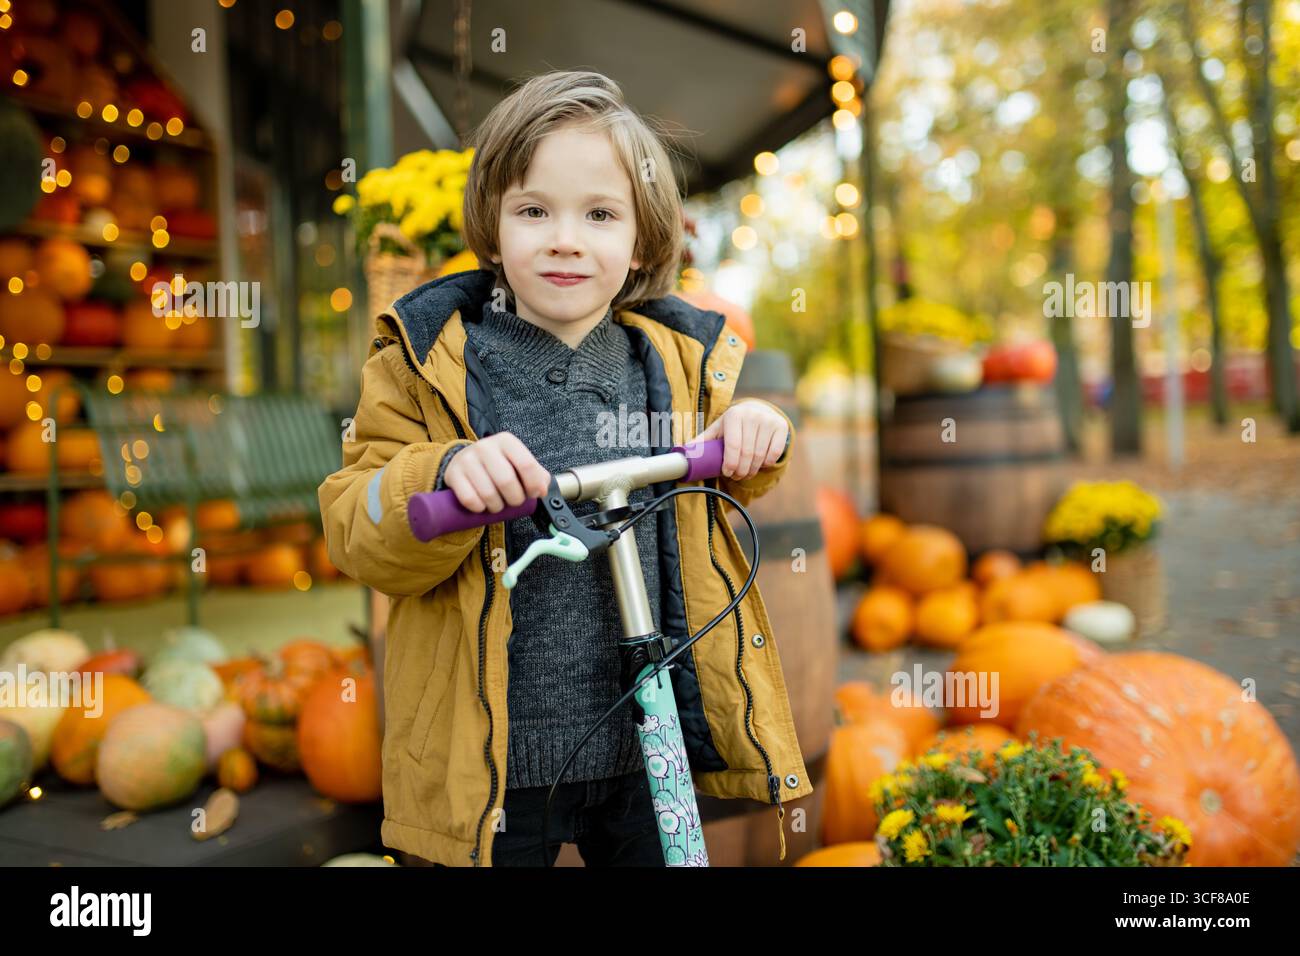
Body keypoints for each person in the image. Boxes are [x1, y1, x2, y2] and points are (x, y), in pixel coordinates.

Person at [318, 70, 813, 868]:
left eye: (600, 215)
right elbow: (354, 519)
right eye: (534, 210)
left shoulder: (673, 360)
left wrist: (760, 429)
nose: (564, 238)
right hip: (491, 763)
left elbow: (725, 466)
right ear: (493, 222)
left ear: (645, 240)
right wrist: (442, 476)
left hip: (647, 736)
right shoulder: (431, 359)